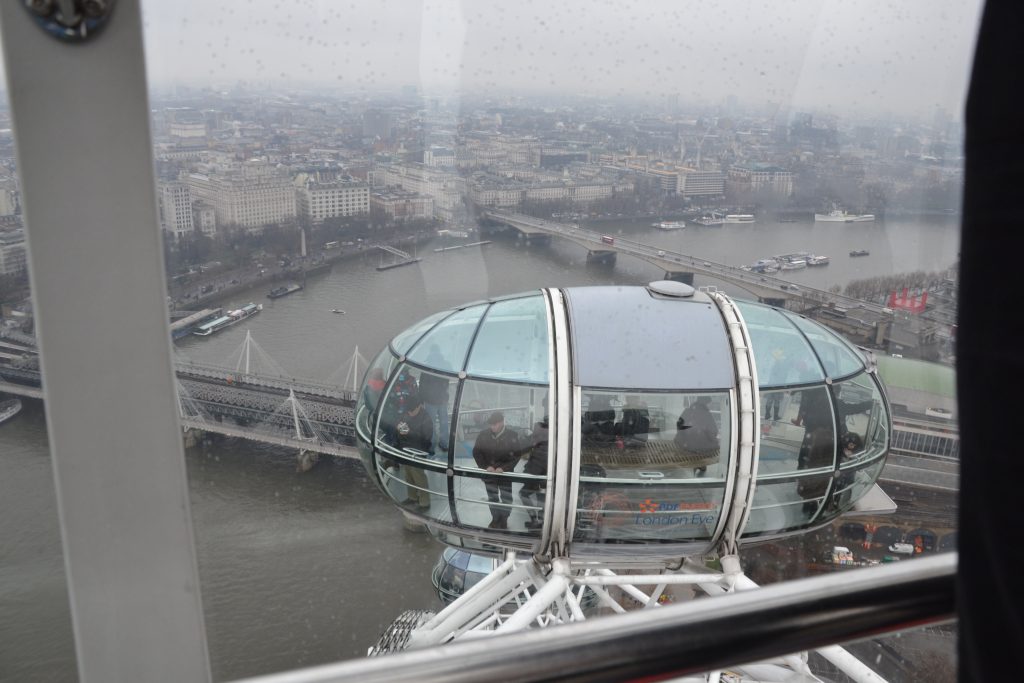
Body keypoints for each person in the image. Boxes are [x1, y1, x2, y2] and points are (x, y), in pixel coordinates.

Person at [472, 411, 522, 530]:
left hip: (505, 473)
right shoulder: (483, 434)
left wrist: (503, 468)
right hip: (489, 474)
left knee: (506, 497)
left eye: (495, 424)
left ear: (502, 422)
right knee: (492, 497)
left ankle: (504, 519)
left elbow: (517, 455)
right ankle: (495, 519)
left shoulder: (512, 435)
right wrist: (485, 467)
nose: (492, 427)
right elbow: (476, 452)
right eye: (491, 424)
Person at [393, 391, 433, 513]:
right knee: (408, 474)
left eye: (412, 411)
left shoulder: (426, 419)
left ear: (419, 406)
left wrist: (408, 432)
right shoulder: (408, 413)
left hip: (418, 452)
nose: (409, 413)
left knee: (419, 476)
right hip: (406, 449)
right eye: (408, 411)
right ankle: (413, 497)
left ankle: (425, 502)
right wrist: (399, 429)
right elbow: (400, 423)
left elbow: (426, 439)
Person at [519, 407, 549, 531]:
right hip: (545, 477)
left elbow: (537, 465)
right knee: (542, 497)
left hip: (539, 477)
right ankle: (540, 520)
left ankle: (536, 520)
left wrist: (528, 477)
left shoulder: (541, 447)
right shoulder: (548, 440)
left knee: (524, 494)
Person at [674, 396, 719, 476]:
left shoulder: (687, 410)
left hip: (684, 445)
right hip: (699, 447)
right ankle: (700, 465)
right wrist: (715, 442)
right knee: (709, 447)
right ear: (706, 402)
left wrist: (683, 436)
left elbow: (679, 424)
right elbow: (713, 431)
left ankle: (695, 467)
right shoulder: (706, 414)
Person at [418, 346, 451, 454]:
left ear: (430, 352)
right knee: (444, 422)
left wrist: (421, 400)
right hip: (442, 398)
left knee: (430, 423)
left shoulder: (427, 365)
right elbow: (448, 378)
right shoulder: (445, 364)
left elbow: (422, 385)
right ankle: (444, 444)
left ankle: (431, 446)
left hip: (430, 400)